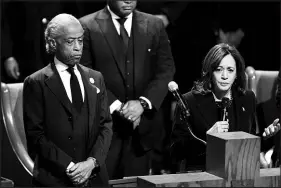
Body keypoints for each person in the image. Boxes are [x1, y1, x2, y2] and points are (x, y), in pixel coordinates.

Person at [79, 0, 175, 179]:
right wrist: (117, 106)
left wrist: (143, 103)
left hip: (143, 133)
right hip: (102, 131)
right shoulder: (86, 26)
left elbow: (166, 69)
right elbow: (83, 75)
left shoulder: (154, 24)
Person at [23, 13, 113, 186]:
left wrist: (92, 162)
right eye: (70, 42)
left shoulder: (96, 77)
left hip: (95, 177)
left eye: (80, 40)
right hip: (55, 178)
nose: (78, 47)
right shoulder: (36, 82)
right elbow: (36, 135)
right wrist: (71, 167)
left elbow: (106, 125)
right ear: (52, 43)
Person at [170, 43, 280, 172]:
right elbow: (175, 151)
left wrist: (267, 136)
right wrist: (208, 138)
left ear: (237, 74)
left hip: (238, 172)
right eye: (218, 69)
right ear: (210, 72)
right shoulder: (190, 101)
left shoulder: (247, 99)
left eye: (230, 70)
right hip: (201, 173)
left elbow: (248, 145)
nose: (224, 76)